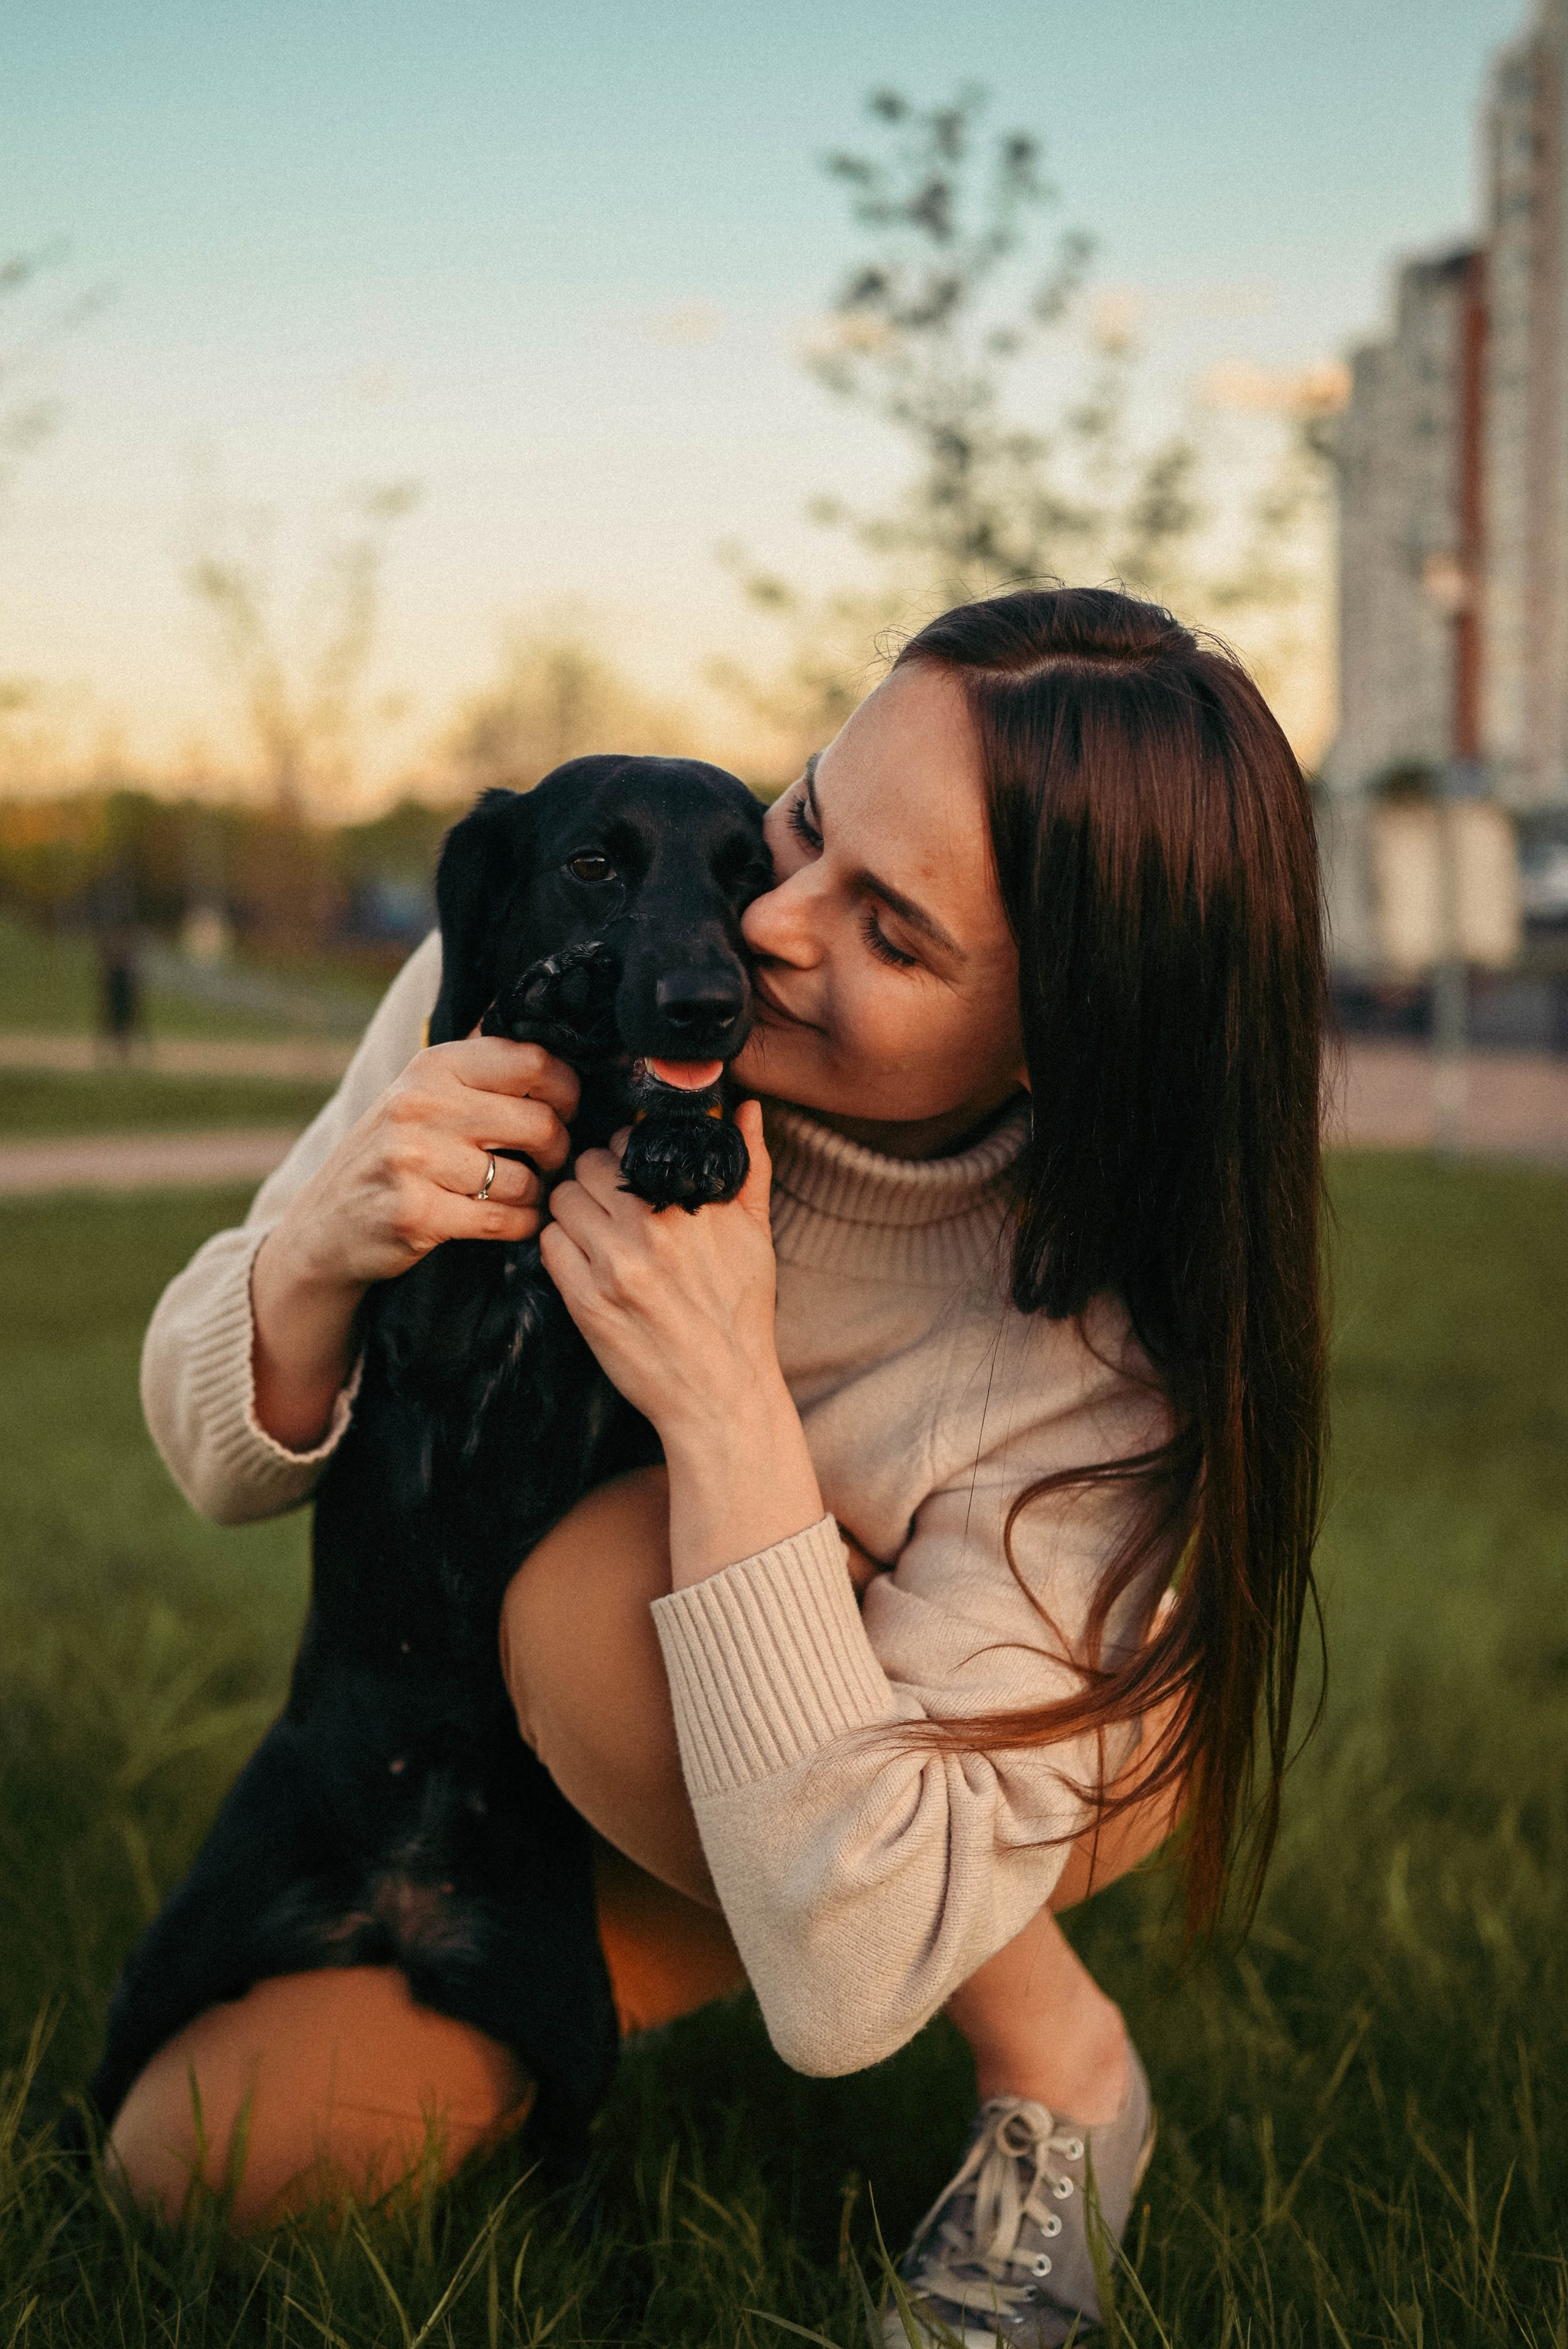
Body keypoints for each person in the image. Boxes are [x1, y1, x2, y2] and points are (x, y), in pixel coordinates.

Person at [121, 587, 1325, 2345]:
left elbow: (851, 1977)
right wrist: (319, 1248)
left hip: (948, 1782)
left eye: (890, 933)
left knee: (606, 1594)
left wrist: (723, 1396)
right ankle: (626, 1935)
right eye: (808, 823)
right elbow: (214, 1463)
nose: (763, 926)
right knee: (199, 2163)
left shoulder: (1098, 1364)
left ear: (1065, 1032)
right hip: (613, 1759)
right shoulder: (561, 955)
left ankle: (1058, 2059)